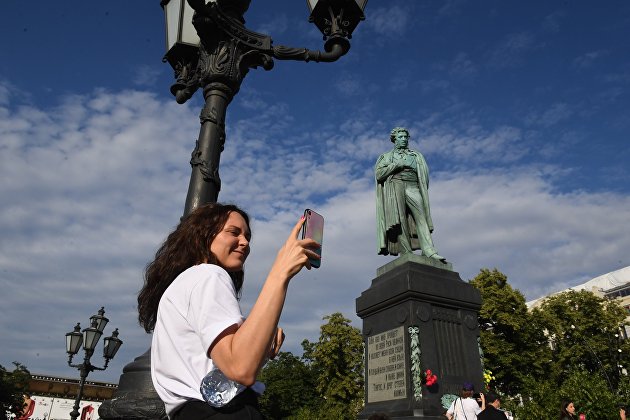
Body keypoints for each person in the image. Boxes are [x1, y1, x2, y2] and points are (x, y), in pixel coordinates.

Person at [138, 203, 320, 419]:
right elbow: (240, 367)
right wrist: (280, 272)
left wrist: (261, 331)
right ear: (203, 236)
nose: (244, 242)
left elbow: (231, 360)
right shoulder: (209, 274)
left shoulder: (185, 284)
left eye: (247, 237)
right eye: (234, 232)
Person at [375, 127, 446, 261]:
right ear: (394, 140)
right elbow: (379, 175)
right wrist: (396, 165)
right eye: (400, 137)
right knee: (400, 219)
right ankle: (406, 252)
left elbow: (424, 176)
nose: (403, 139)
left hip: (413, 185)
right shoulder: (386, 157)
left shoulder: (416, 155)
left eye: (405, 137)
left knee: (421, 217)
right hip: (396, 185)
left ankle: (429, 251)